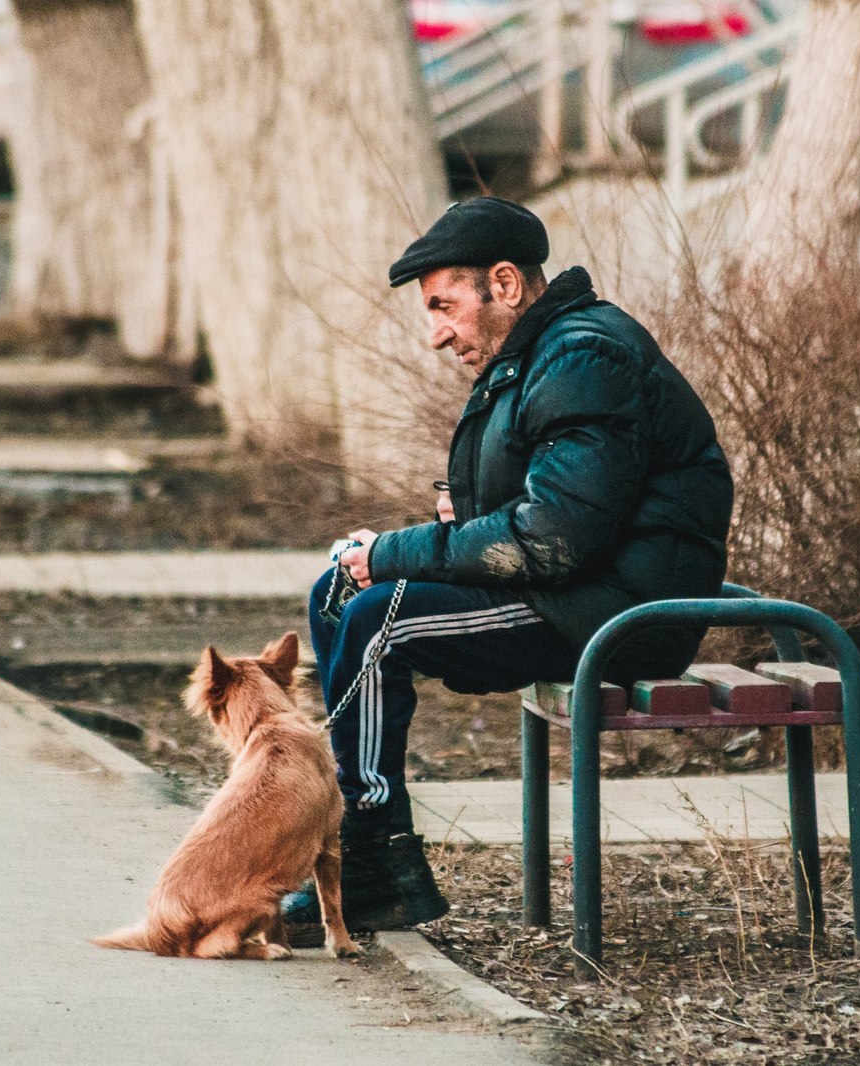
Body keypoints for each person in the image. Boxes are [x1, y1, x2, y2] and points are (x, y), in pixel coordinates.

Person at [283, 196, 734, 935]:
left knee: (375, 622)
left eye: (444, 306)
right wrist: (427, 540)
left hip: (618, 612)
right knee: (342, 592)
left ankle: (370, 862)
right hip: (581, 590)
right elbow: (539, 506)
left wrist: (397, 555)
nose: (436, 335)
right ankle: (369, 847)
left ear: (505, 283)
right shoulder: (538, 356)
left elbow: (553, 538)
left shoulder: (584, 355)